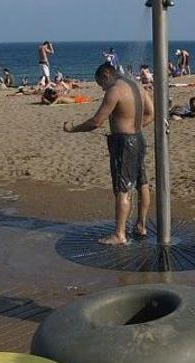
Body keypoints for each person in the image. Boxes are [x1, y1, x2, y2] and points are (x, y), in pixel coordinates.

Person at [63, 62, 155, 246]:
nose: (102, 89)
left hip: (124, 144)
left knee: (123, 188)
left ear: (106, 76)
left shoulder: (115, 90)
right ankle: (141, 225)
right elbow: (151, 113)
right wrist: (134, 128)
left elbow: (96, 122)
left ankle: (119, 235)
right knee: (141, 182)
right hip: (138, 139)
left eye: (101, 84)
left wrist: (73, 129)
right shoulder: (136, 85)